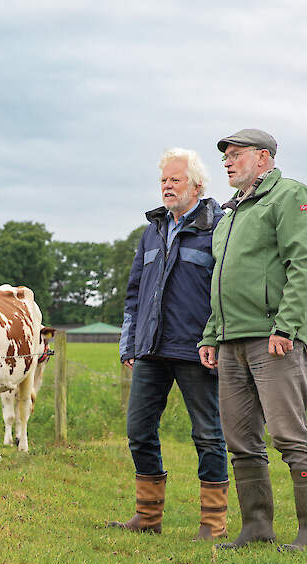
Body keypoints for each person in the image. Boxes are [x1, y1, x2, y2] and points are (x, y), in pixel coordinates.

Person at [198, 129, 307, 552]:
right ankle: (256, 527)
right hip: (230, 341)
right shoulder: (230, 214)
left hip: (273, 339)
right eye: (225, 157)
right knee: (240, 441)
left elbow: (303, 265)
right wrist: (212, 334)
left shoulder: (289, 196)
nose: (227, 162)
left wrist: (286, 327)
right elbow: (221, 282)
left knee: (289, 436)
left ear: (264, 158)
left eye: (236, 154)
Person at [109, 148, 229, 539]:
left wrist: (216, 339)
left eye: (175, 180)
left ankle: (213, 523)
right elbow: (134, 292)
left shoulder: (218, 227)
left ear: (197, 186)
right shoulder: (153, 230)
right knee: (139, 430)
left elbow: (225, 291)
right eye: (163, 180)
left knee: (208, 435)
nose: (167, 186)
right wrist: (130, 342)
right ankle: (147, 517)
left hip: (198, 349)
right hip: (151, 349)